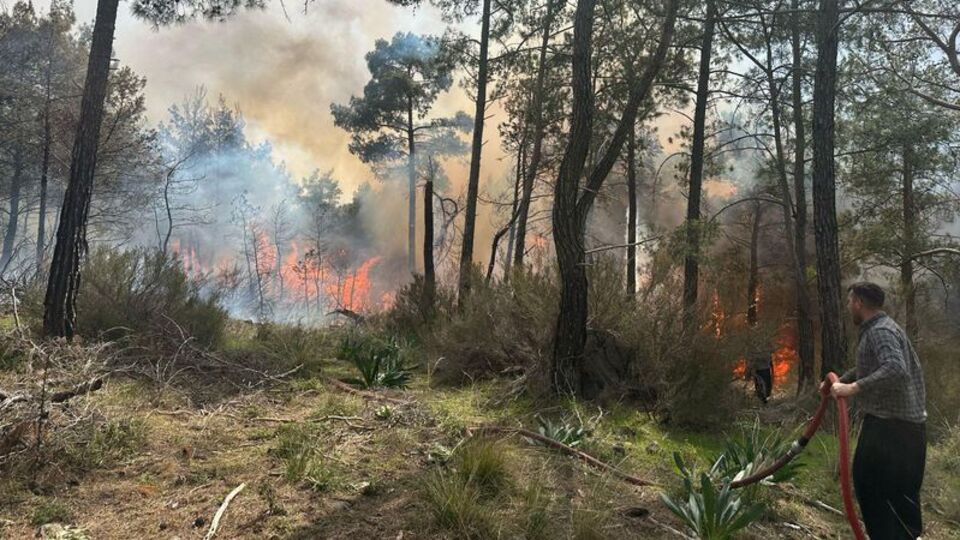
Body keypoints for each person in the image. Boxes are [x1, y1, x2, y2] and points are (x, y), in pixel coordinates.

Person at [830, 282, 927, 540]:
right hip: (906, 430)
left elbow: (895, 369)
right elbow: (872, 367)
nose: (849, 306)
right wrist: (841, 380)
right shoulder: (883, 328)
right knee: (899, 498)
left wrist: (853, 388)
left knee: (871, 488)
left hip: (890, 430)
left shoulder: (880, 332)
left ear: (860, 302)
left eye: (850, 301)